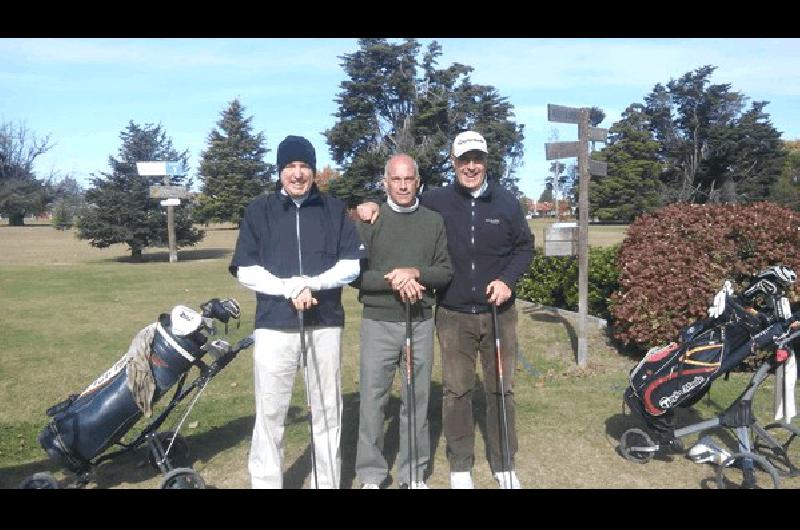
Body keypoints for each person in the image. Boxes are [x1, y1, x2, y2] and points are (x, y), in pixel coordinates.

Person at [357, 131, 533, 489]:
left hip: (499, 309)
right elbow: (399, 202)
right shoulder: (438, 200)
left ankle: (503, 462)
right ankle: (460, 465)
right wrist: (367, 204)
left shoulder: (507, 202)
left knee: (501, 388)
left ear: (486, 162)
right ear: (453, 163)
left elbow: (524, 248)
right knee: (457, 391)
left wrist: (508, 280)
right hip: (453, 313)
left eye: (477, 159)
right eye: (464, 160)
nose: (471, 166)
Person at [229, 135, 366, 489]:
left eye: (304, 165)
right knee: (271, 414)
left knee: (327, 413)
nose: (298, 173)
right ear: (280, 171)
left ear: (314, 170)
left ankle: (328, 482)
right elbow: (246, 269)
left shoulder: (334, 209)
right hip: (275, 327)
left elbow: (351, 264)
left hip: (324, 325)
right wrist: (290, 287)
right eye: (290, 166)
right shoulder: (259, 210)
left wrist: (312, 284)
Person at [353, 154, 452, 489]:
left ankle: (413, 473)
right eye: (396, 179)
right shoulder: (369, 220)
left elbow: (445, 271)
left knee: (416, 399)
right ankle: (371, 474)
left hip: (420, 322)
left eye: (409, 178)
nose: (403, 185)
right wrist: (395, 279)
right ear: (386, 183)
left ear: (418, 182)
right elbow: (357, 276)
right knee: (372, 399)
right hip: (378, 322)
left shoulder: (433, 221)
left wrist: (416, 273)